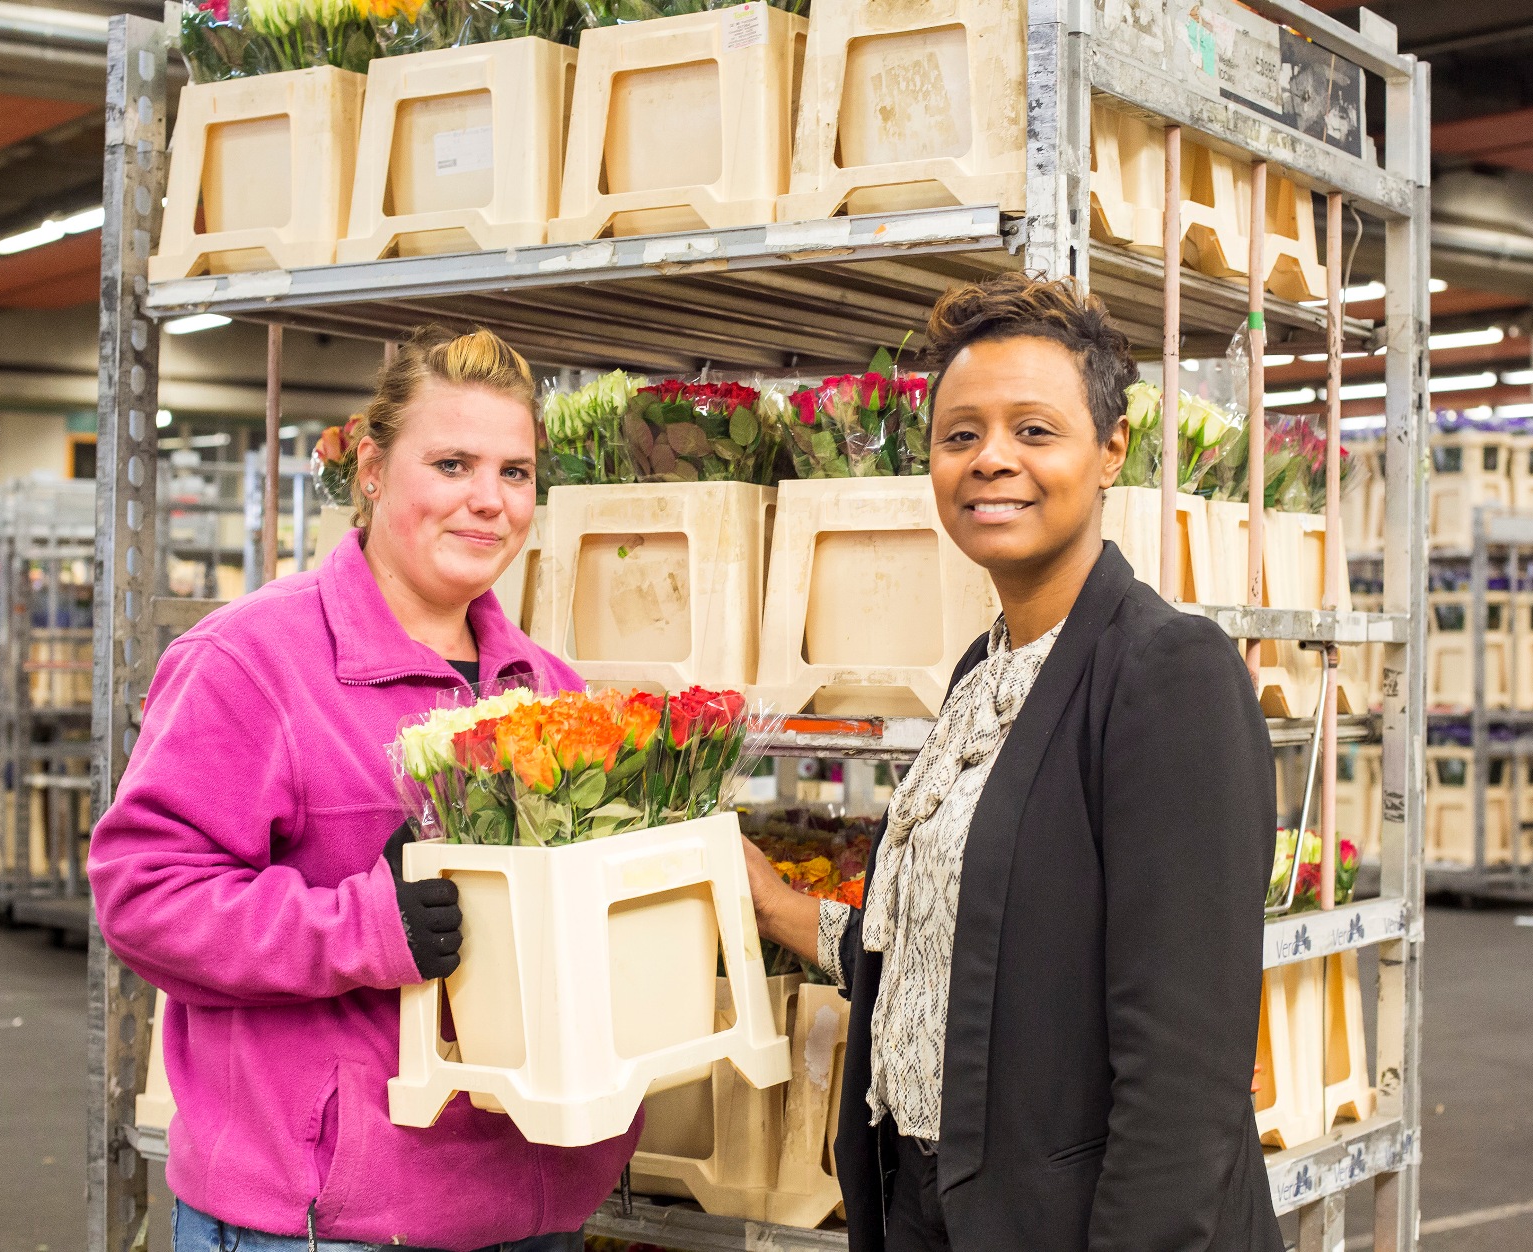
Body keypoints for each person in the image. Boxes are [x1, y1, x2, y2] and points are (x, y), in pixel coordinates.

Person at [743, 274, 1284, 1252]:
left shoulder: (1167, 673)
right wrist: (784, 910)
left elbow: (1185, 1078)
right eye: (961, 435)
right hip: (936, 1198)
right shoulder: (982, 673)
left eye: (1035, 430)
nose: (992, 459)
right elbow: (975, 940)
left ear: (1111, 450)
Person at [90, 326, 635, 1252]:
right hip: (325, 1221)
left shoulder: (546, 688)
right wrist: (366, 928)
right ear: (374, 470)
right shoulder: (253, 661)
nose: (488, 502)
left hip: (529, 1203)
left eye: (515, 472)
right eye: (453, 463)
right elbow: (144, 898)